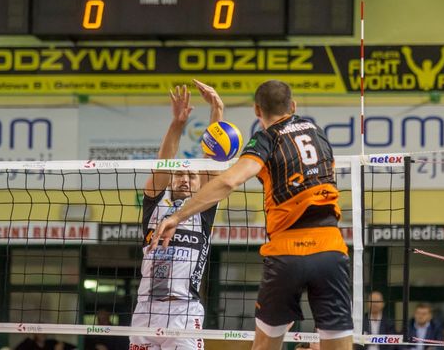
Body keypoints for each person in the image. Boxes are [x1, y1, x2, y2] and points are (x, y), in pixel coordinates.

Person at [150, 80, 353, 350]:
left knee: (264, 345)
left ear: (257, 110)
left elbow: (229, 180)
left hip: (286, 252)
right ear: (293, 106)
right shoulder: (318, 133)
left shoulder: (266, 139)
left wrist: (177, 217)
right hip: (330, 248)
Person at [129, 80, 224, 350]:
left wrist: (217, 110)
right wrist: (178, 123)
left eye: (191, 175)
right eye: (179, 174)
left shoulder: (202, 207)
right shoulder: (155, 203)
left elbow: (212, 162)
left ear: (199, 182)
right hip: (146, 308)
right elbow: (163, 163)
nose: (184, 179)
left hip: (184, 311)